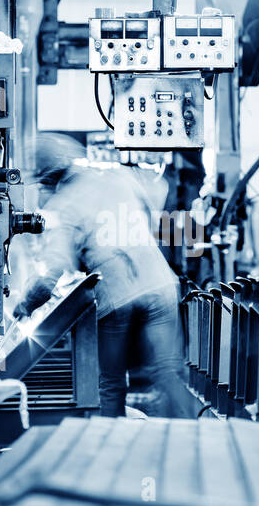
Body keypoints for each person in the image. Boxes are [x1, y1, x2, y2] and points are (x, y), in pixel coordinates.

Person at [13, 134, 188, 418]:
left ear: (46, 178)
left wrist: (24, 306)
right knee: (168, 374)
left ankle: (111, 446)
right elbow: (160, 189)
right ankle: (191, 442)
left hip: (116, 295)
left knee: (111, 383)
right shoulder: (118, 176)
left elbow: (49, 276)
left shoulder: (62, 207)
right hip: (160, 286)